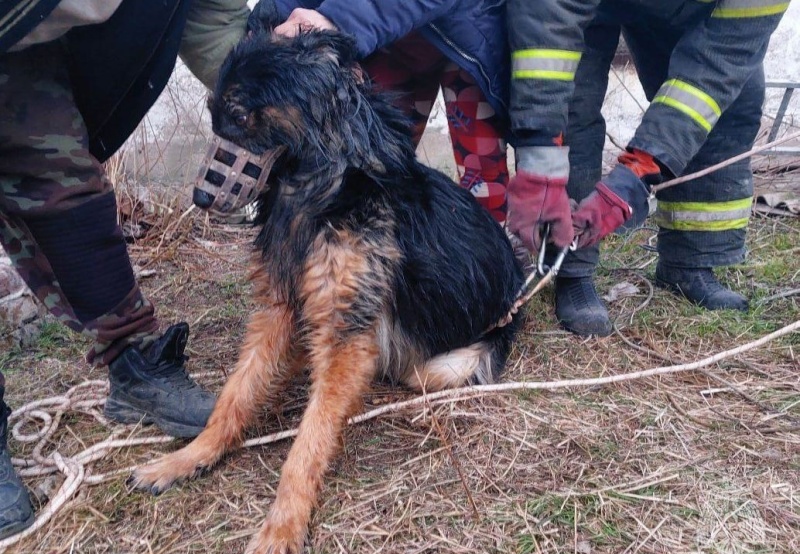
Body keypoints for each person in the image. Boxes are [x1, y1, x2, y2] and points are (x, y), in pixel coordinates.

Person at [0, 0, 250, 539]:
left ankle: (133, 362)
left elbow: (215, 21)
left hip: (22, 52)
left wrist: (274, 91)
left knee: (65, 183)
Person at [505, 0, 789, 336]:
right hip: (574, 6)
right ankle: (570, 270)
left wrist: (638, 174)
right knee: (572, 104)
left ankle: (690, 262)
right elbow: (546, 32)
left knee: (721, 108)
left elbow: (718, 64)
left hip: (687, 9)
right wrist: (540, 157)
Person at [262, 0, 511, 222]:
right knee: (371, 166)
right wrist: (271, 16)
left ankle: (499, 255)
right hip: (389, 39)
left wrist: (337, 19)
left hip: (466, 37)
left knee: (484, 182)